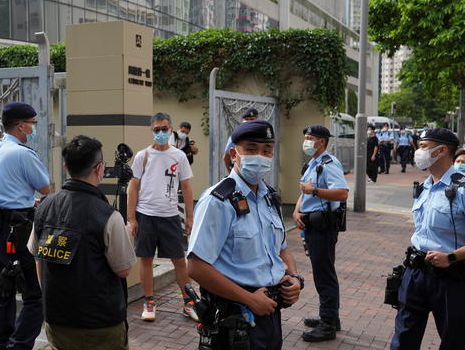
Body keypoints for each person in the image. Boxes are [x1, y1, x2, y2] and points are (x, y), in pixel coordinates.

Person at [187, 120, 303, 349]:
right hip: (235, 317)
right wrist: (249, 299)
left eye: (266, 151)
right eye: (251, 150)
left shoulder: (270, 197)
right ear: (234, 154)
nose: (260, 156)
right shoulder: (217, 201)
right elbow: (196, 267)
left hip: (270, 312)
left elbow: (282, 249)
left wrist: (295, 278)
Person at [30, 135, 136, 350]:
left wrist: (48, 298)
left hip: (57, 319)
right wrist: (127, 236)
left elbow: (38, 257)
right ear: (99, 169)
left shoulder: (44, 206)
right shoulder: (108, 216)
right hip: (100, 324)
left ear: (65, 166)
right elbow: (124, 269)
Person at [0, 101, 50, 350]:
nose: (34, 127)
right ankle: (18, 345)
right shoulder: (22, 153)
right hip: (17, 231)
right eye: (32, 123)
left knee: (4, 291)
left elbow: (0, 189)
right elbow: (45, 188)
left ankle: (1, 343)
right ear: (21, 126)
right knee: (34, 295)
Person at [390, 128, 465, 350]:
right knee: (403, 338)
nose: (418, 151)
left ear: (442, 150)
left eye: (423, 147)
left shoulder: (461, 188)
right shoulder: (425, 186)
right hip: (416, 272)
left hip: (451, 276)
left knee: (455, 340)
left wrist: (451, 257)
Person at [127, 112, 197, 322]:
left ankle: (189, 302)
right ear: (151, 130)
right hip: (145, 215)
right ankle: (149, 301)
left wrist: (190, 217)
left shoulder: (179, 156)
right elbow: (133, 187)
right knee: (146, 259)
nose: (160, 133)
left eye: (164, 129)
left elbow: (186, 187)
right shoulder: (143, 155)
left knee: (179, 261)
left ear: (171, 130)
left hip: (170, 216)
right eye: (156, 130)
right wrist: (132, 218)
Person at [292, 125, 349, 342]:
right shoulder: (313, 164)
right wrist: (297, 211)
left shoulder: (328, 164)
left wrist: (314, 191)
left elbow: (342, 193)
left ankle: (327, 325)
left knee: (324, 274)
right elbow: (303, 192)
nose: (306, 141)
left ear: (322, 142)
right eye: (305, 137)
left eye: (310, 138)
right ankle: (330, 317)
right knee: (322, 272)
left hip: (324, 227)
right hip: (312, 225)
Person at [222, 107, 258, 172]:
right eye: (246, 119)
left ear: (256, 120)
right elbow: (226, 157)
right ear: (242, 121)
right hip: (240, 172)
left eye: (252, 119)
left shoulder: (260, 135)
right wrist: (230, 173)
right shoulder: (237, 135)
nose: (249, 122)